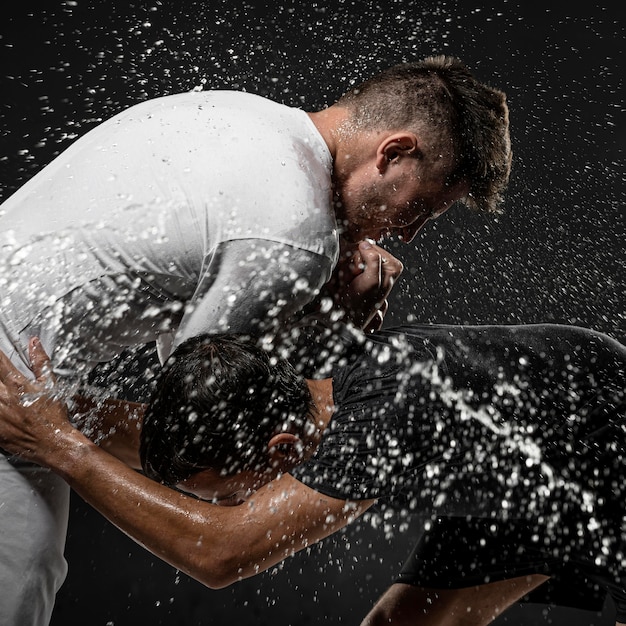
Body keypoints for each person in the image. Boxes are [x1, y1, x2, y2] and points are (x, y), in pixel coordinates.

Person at [0, 54, 511, 624]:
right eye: (418, 207)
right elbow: (197, 417)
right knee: (20, 583)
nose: (407, 233)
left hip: (17, 337)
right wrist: (336, 322)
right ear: (393, 153)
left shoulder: (247, 116)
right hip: (9, 371)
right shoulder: (297, 236)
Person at [0, 322, 623, 624]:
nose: (233, 506)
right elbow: (189, 446)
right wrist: (65, 417)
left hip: (610, 447)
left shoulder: (376, 423)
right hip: (533, 478)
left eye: (233, 494)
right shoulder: (311, 402)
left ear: (278, 448)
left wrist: (64, 450)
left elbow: (220, 553)